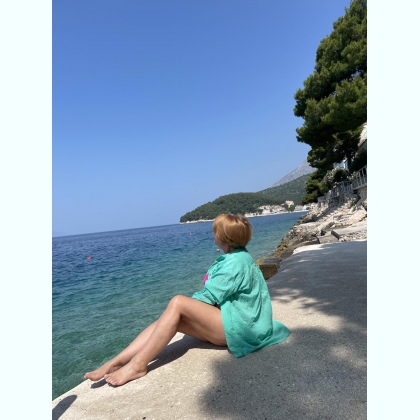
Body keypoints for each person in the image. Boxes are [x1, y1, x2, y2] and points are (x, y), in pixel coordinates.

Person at [85, 214, 290, 387]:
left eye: (216, 231)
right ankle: (117, 361)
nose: (213, 234)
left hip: (242, 329)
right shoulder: (238, 257)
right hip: (235, 321)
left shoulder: (235, 263)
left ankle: (138, 365)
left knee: (177, 303)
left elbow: (209, 297)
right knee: (169, 319)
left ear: (223, 236)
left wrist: (185, 307)